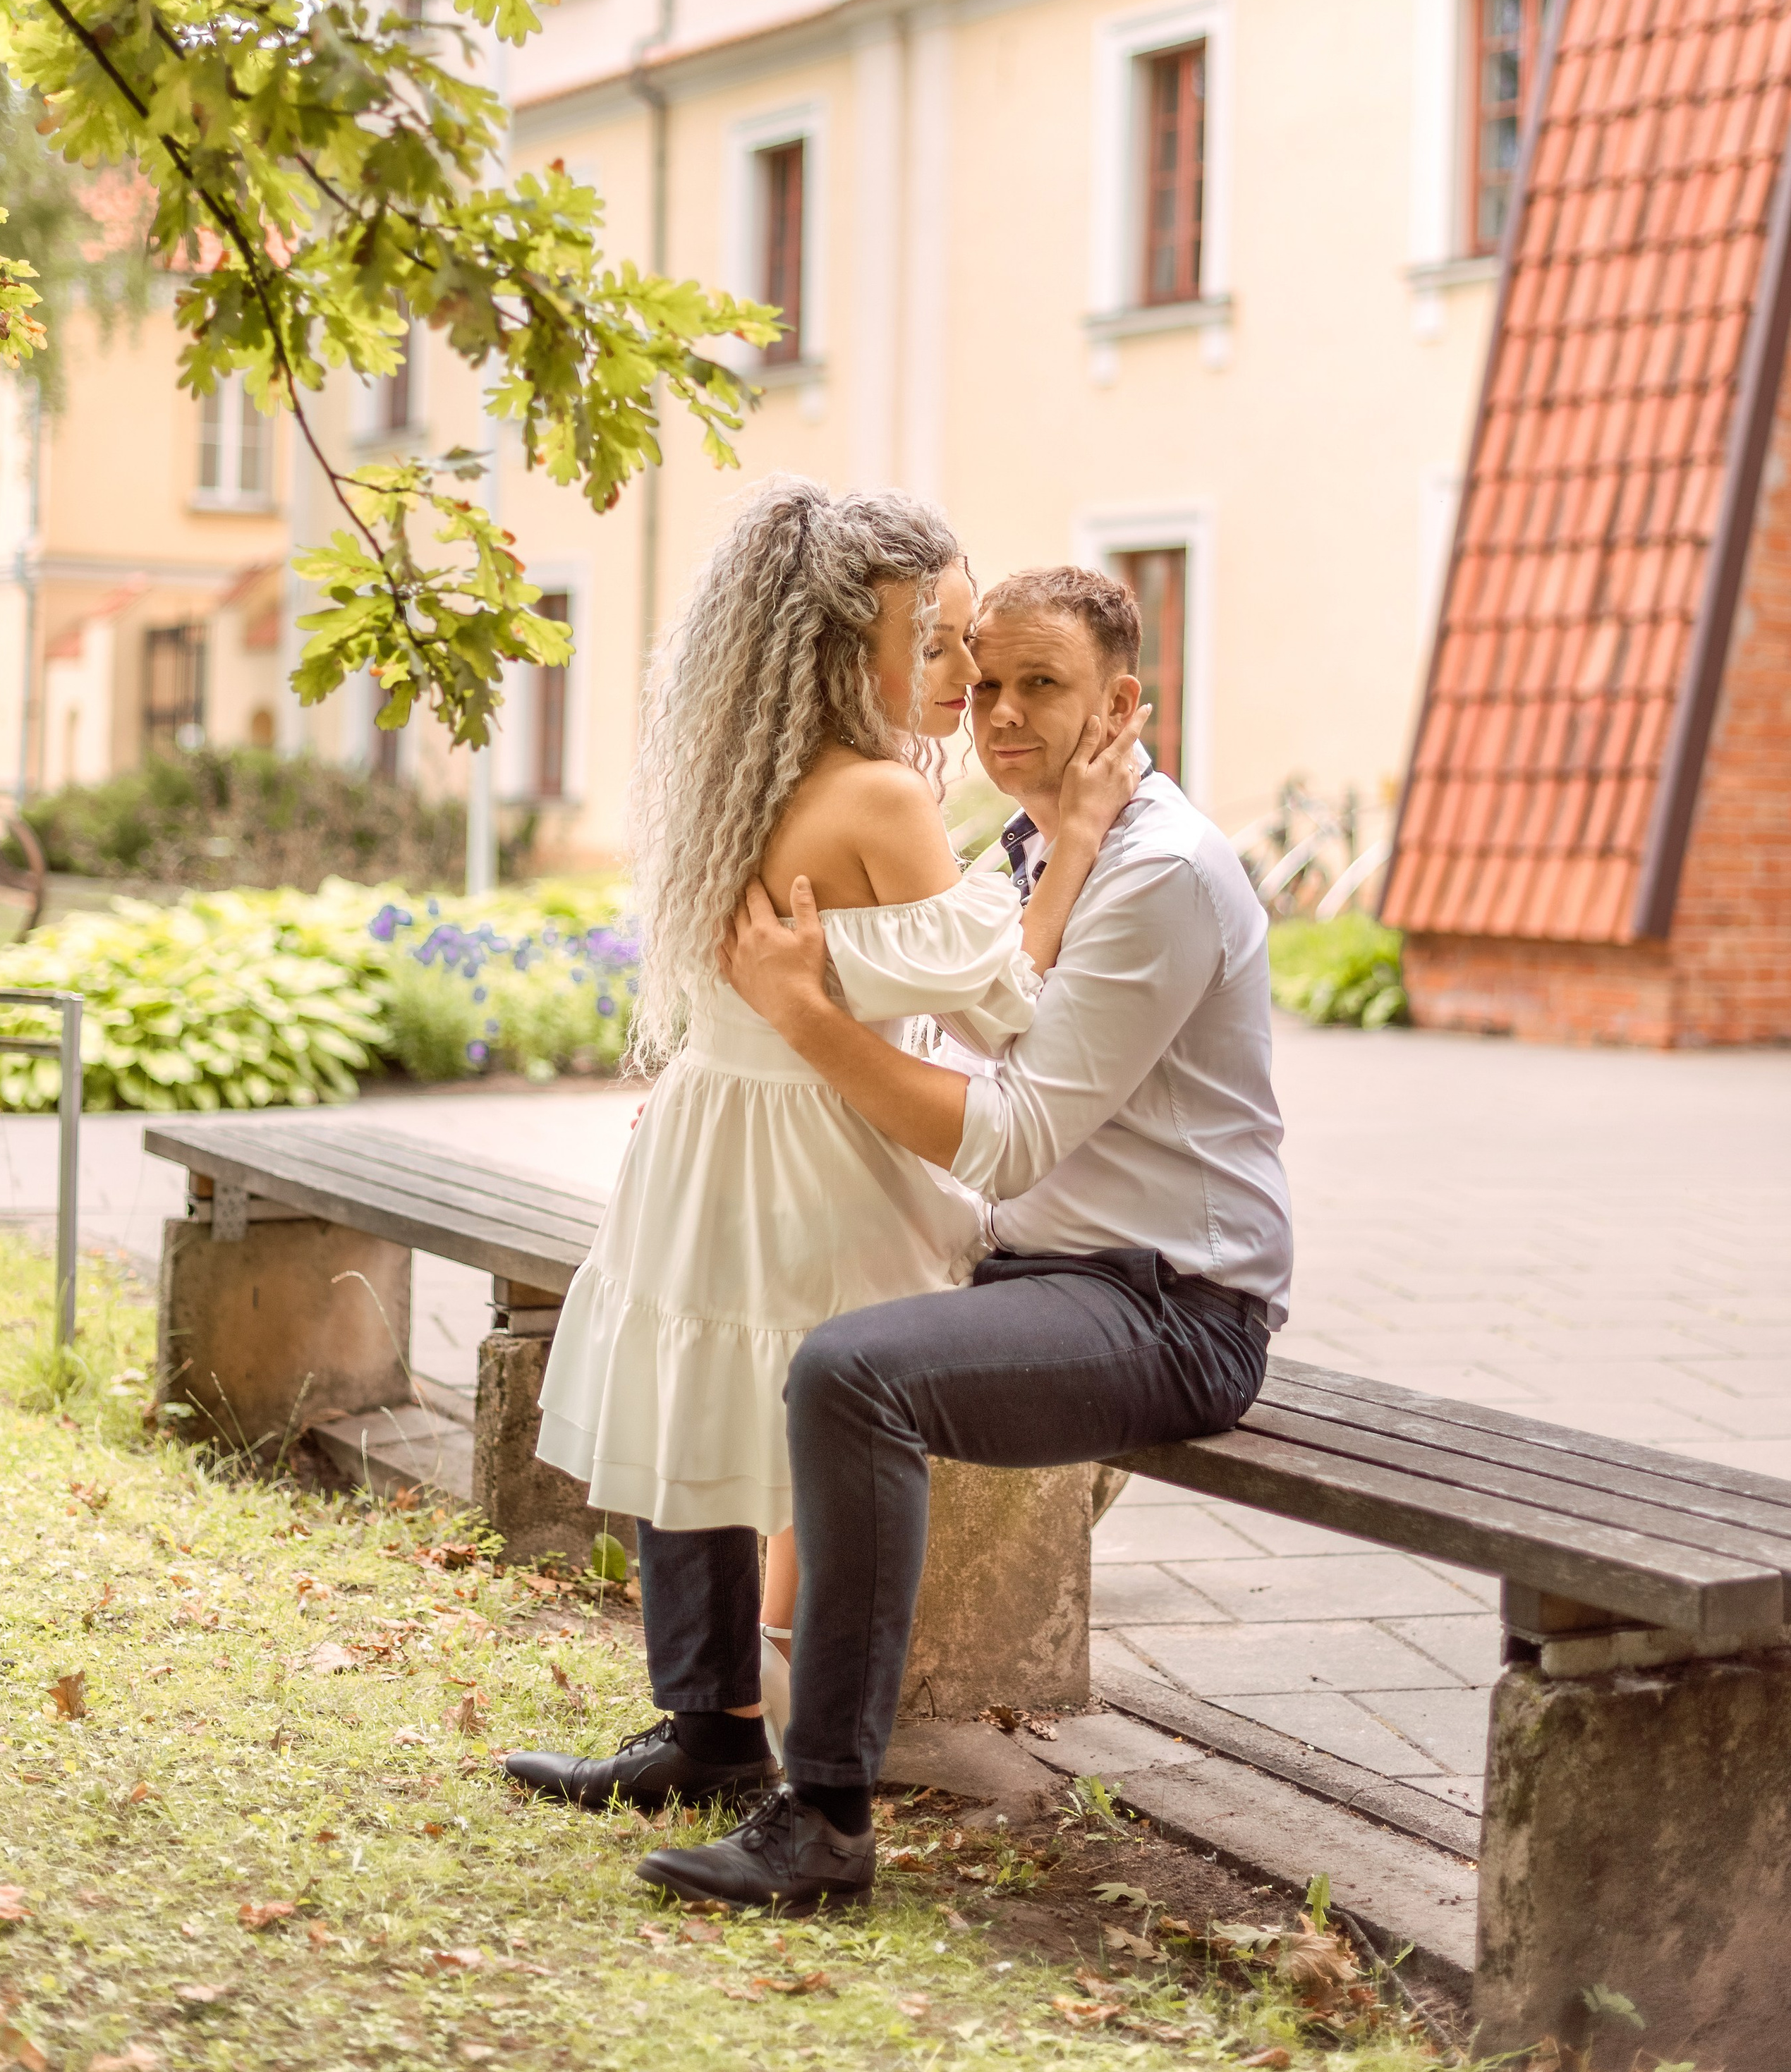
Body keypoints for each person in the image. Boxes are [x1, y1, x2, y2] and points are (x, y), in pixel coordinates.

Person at [629, 563, 1291, 1911]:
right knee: (720, 1282)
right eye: (982, 680)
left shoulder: (1159, 870)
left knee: (847, 1371)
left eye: (1039, 684)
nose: (995, 710)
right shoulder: (1037, 847)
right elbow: (977, 1025)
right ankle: (707, 1725)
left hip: (1168, 1305)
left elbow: (1010, 1131)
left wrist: (807, 1014)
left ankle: (823, 1819)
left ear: (1123, 702)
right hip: (1033, 1268)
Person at [504, 486, 1144, 1817]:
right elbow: (1001, 993)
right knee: (817, 1419)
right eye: (942, 640)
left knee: (694, 1409)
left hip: (708, 1128)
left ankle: (709, 1727)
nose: (968, 678)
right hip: (815, 1152)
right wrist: (1072, 845)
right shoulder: (875, 799)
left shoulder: (744, 774)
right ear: (848, 639)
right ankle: (798, 1754)